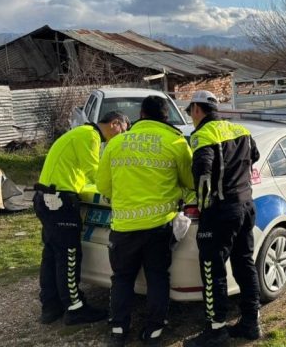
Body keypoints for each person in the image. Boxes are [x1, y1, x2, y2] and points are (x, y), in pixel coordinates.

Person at [96, 96, 194, 346]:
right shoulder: (175, 141)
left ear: (141, 113)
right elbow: (189, 182)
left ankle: (118, 330)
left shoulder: (116, 143)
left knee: (121, 279)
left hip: (124, 226)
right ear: (166, 116)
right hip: (159, 226)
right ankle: (154, 332)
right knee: (157, 277)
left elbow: (103, 185)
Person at [183, 90, 262, 347]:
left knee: (212, 269)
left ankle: (216, 330)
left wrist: (202, 201)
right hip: (246, 205)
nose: (191, 118)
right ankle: (251, 322)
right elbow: (256, 156)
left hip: (220, 211)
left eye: (191, 112)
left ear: (197, 109)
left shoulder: (202, 135)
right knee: (244, 263)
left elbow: (202, 172)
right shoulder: (240, 129)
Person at [35, 111, 128, 326]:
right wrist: (121, 188)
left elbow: (83, 174)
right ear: (115, 123)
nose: (122, 135)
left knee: (51, 255)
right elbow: (96, 173)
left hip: (47, 197)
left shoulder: (80, 133)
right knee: (68, 256)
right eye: (123, 129)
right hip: (60, 202)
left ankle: (50, 306)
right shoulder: (90, 136)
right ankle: (75, 308)